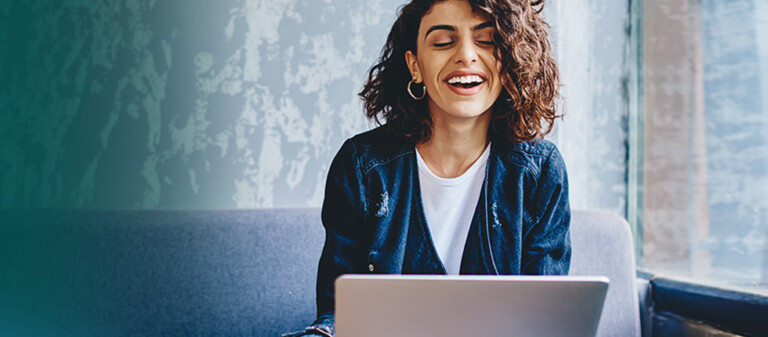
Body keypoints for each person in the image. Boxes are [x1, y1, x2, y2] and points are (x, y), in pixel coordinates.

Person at [285, 0, 569, 336]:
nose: (465, 55)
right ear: (415, 65)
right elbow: (340, 313)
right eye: (443, 42)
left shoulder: (540, 171)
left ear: (510, 59)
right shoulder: (361, 166)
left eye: (487, 40)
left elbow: (547, 321)